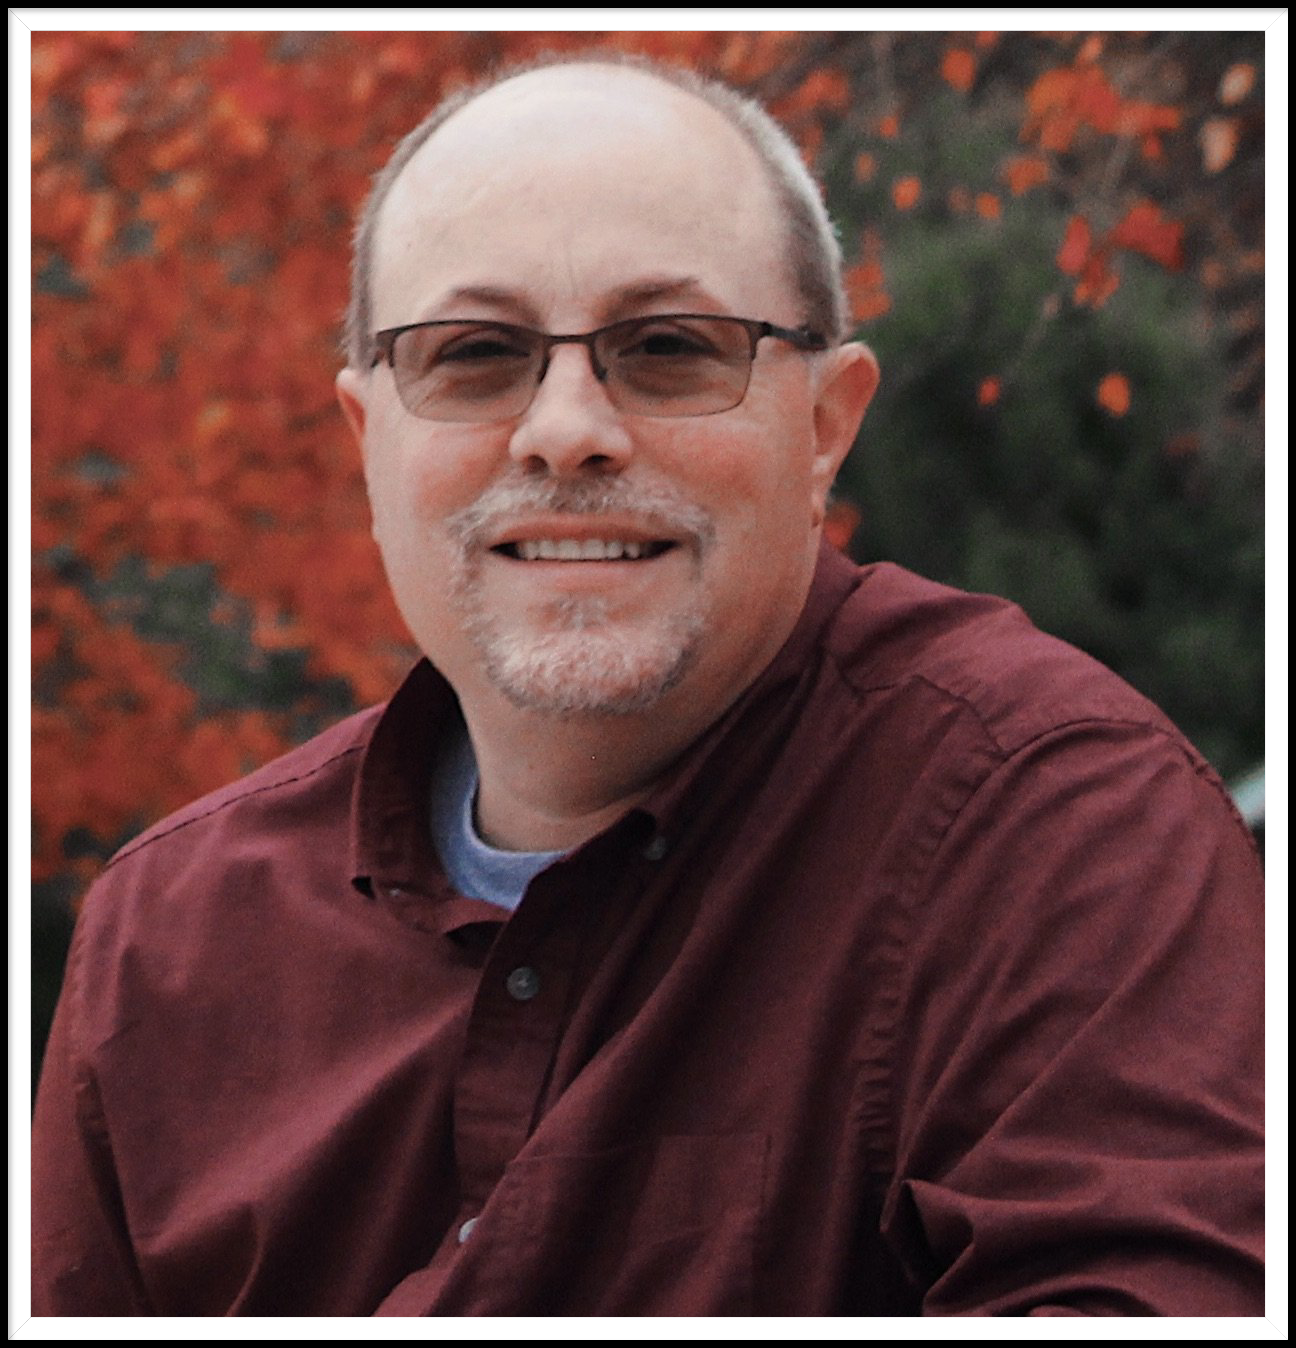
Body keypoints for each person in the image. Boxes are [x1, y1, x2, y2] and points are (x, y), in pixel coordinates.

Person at [31, 55, 1264, 1318]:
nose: (567, 429)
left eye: (670, 347)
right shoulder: (168, 943)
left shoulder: (1053, 830)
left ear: (826, 425)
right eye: (473, 354)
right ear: (369, 441)